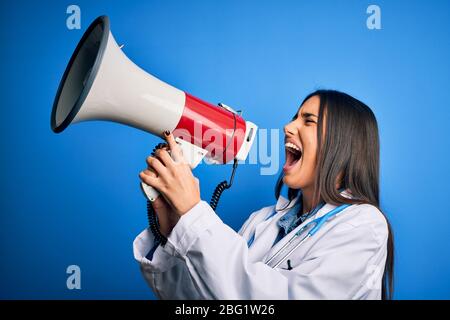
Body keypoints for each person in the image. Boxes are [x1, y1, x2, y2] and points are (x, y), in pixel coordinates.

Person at [133, 89, 394, 300]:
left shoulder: (364, 226)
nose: (287, 127)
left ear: (343, 144)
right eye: (294, 117)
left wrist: (194, 214)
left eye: (308, 121)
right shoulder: (262, 220)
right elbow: (200, 296)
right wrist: (172, 223)